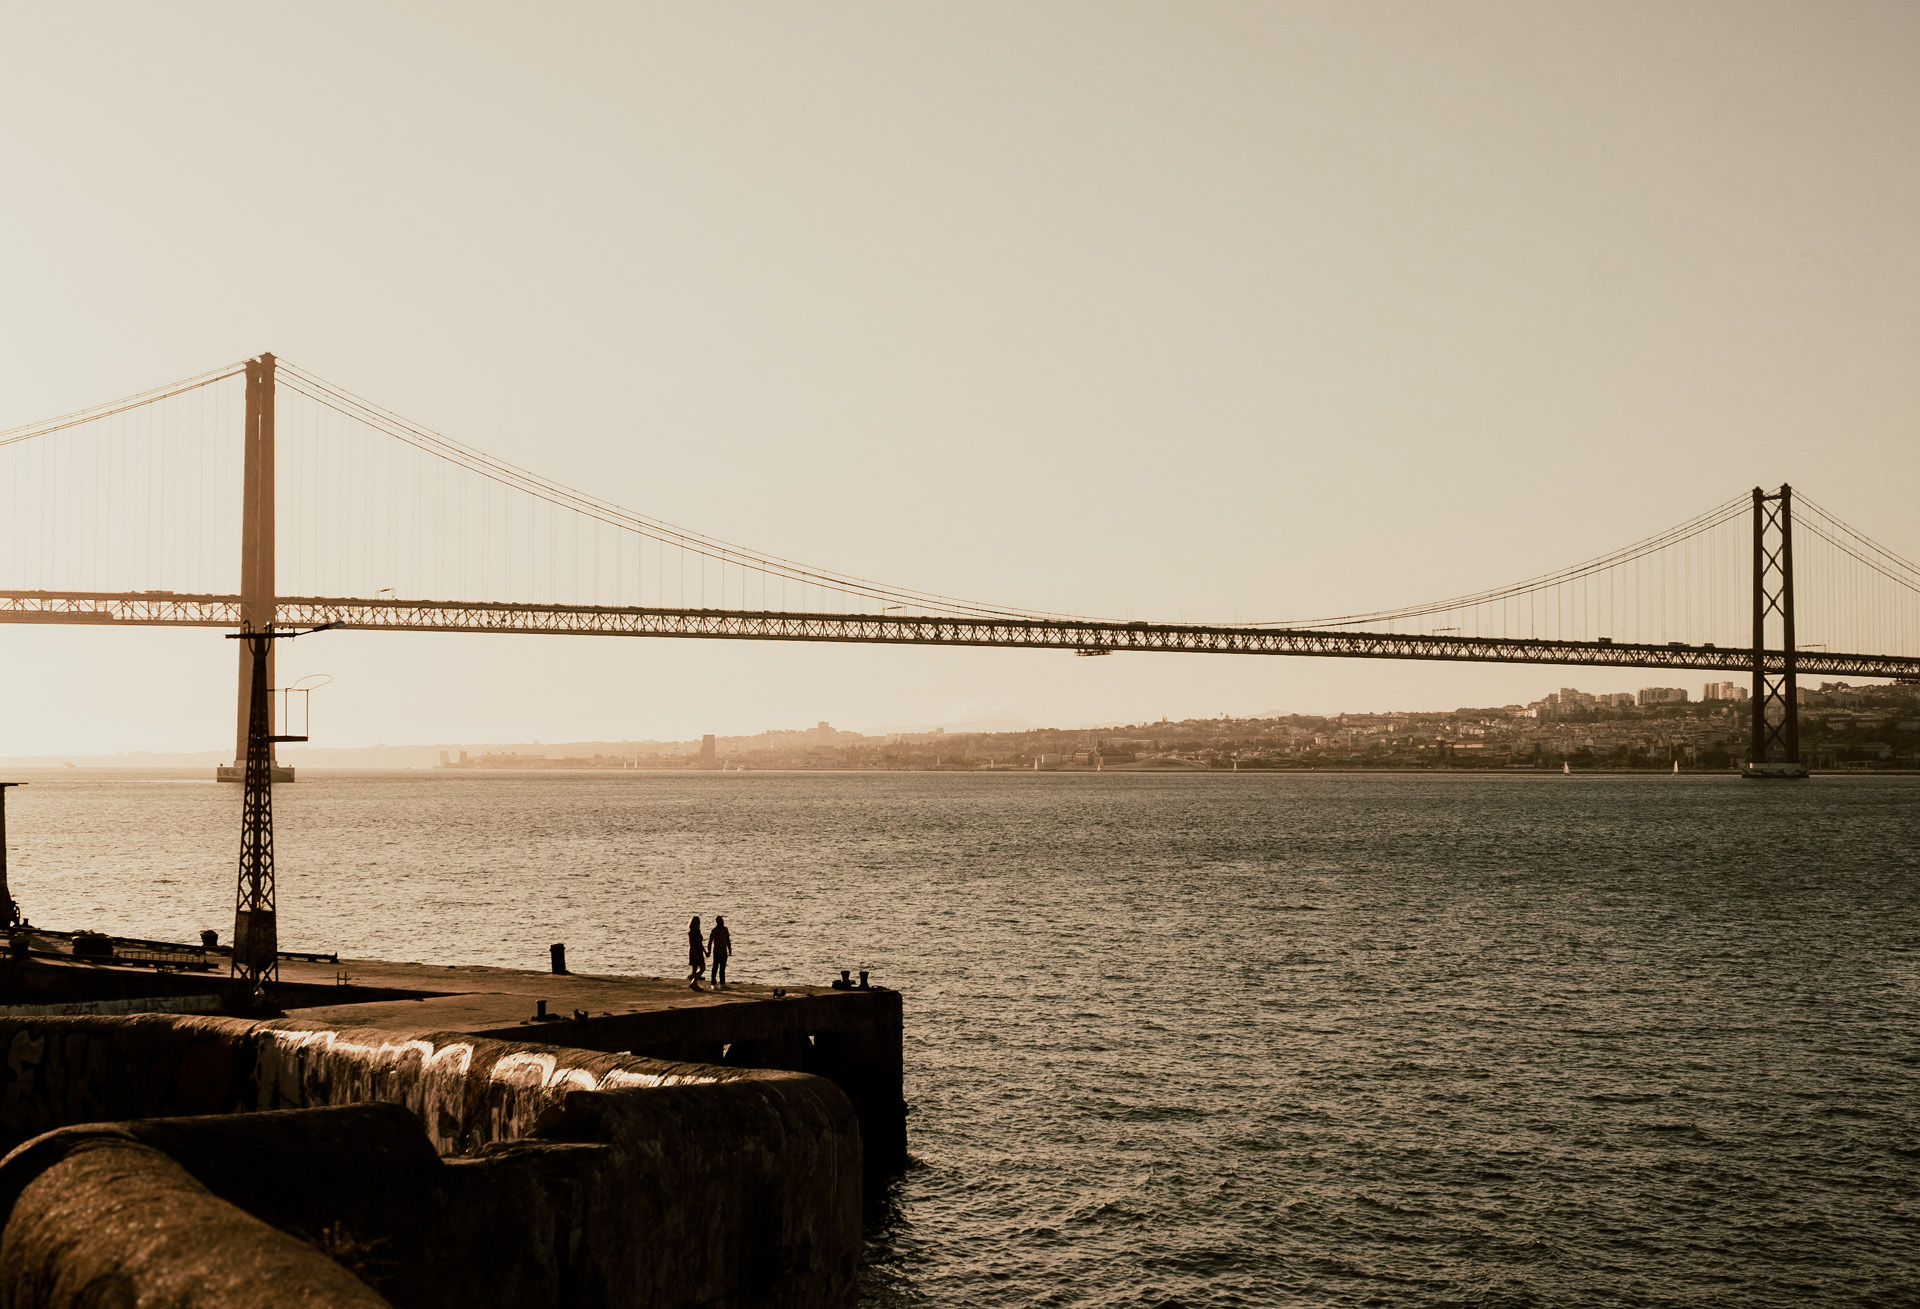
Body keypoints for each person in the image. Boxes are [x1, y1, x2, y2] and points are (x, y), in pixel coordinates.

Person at [708, 916, 732, 988]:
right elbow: (710, 942)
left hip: (724, 951)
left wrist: (729, 949)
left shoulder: (725, 929)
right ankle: (713, 983)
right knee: (715, 967)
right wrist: (709, 951)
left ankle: (722, 983)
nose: (721, 921)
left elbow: (728, 940)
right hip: (717, 951)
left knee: (722, 968)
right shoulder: (714, 930)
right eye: (720, 920)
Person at [686, 915, 706, 988]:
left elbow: (700, 943)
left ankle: (694, 983)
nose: (698, 923)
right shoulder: (691, 933)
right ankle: (694, 982)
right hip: (694, 951)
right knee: (701, 968)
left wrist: (705, 951)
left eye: (699, 922)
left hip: (699, 951)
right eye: (697, 922)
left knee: (697, 969)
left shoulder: (698, 931)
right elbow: (692, 945)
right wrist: (695, 955)